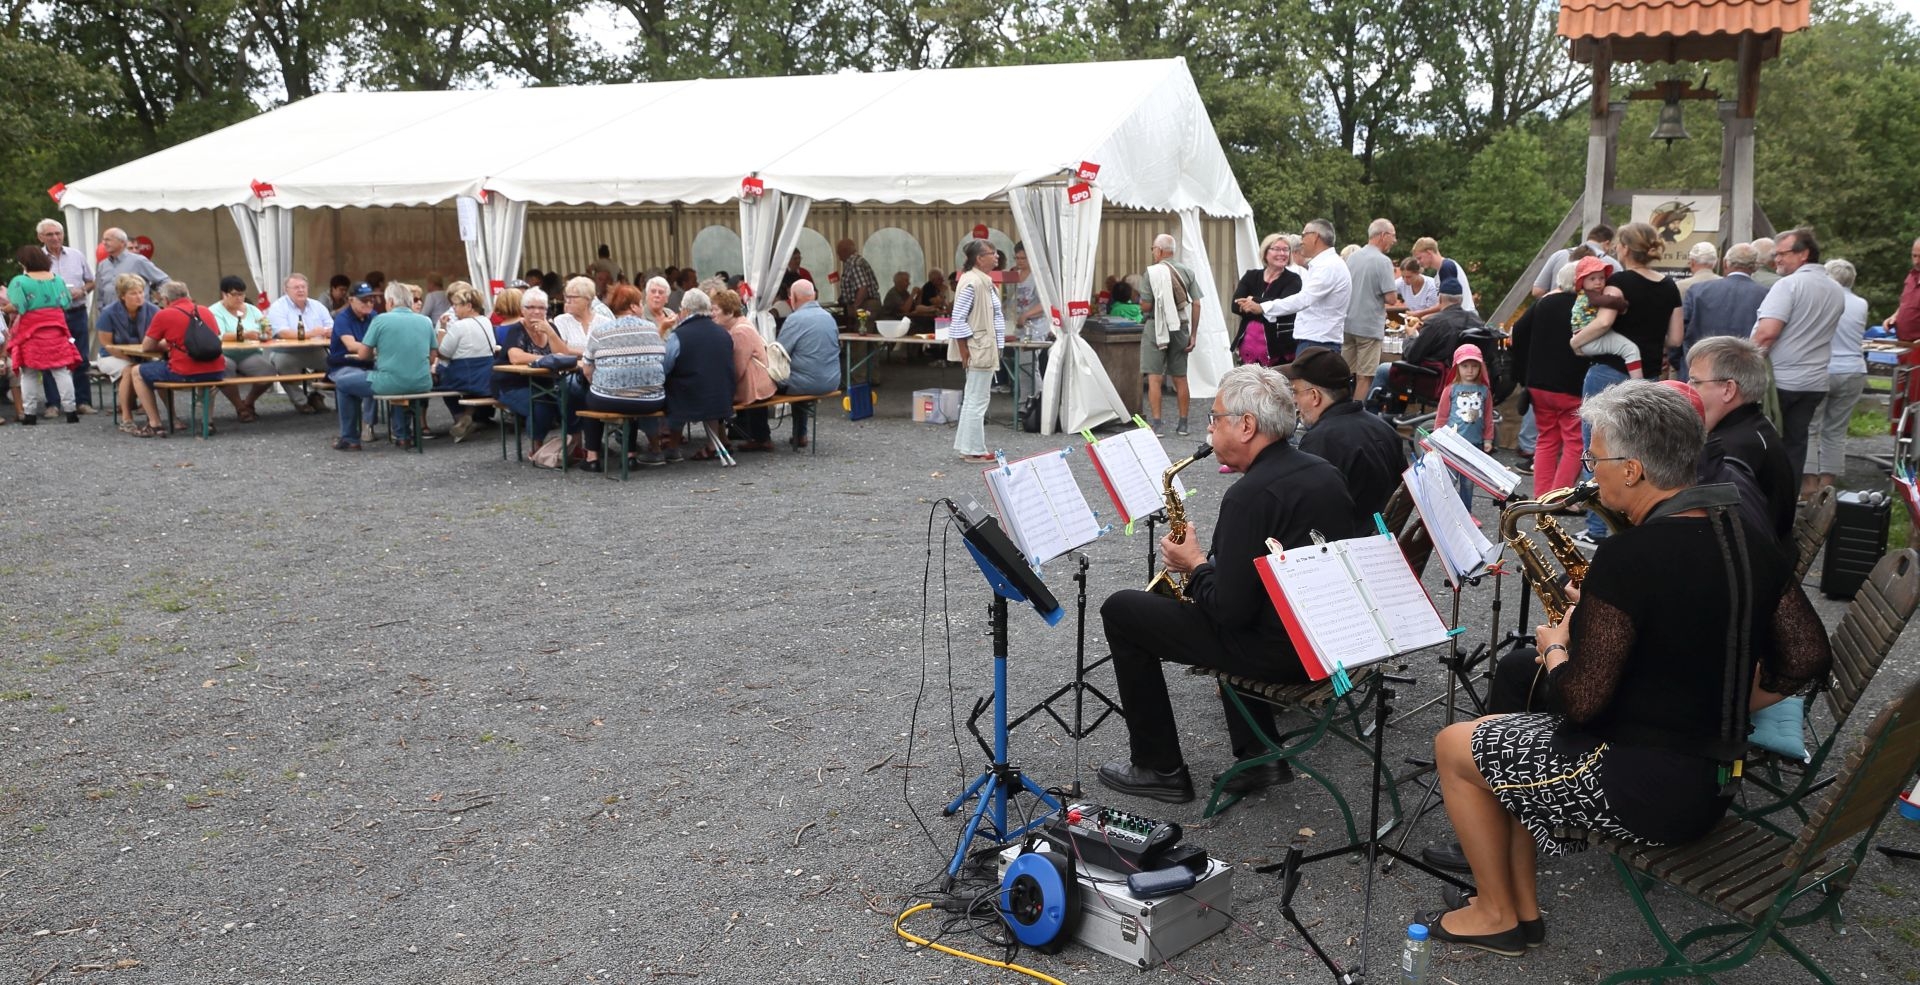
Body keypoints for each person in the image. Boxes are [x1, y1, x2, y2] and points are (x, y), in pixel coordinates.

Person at [1424, 381, 1830, 958]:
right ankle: (1520, 913)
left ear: (1634, 469)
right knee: (1496, 735)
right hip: (1715, 779)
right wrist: (1722, 703)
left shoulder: (1629, 555)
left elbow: (1579, 704)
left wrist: (1556, 647)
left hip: (1647, 791)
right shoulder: (1745, 536)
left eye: (1595, 460)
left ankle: (1494, 913)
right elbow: (1807, 657)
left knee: (1454, 746)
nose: (1591, 472)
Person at [1097, 365, 1357, 803]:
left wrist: (1194, 564)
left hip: (1285, 655)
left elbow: (1229, 612)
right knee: (1228, 590)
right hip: (1329, 639)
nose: (1210, 428)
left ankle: (1158, 767)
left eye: (1215, 418)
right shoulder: (1324, 472)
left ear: (1247, 426)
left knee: (1122, 610)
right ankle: (1258, 753)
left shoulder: (1248, 496)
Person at [1754, 227, 1846, 479]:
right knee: (1796, 446)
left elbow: (1766, 333)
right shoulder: (1835, 288)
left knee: (1767, 446)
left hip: (1780, 381)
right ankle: (1789, 498)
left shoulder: (1789, 285)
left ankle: (1767, 500)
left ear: (1803, 253)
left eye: (1782, 254)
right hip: (1814, 381)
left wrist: (1745, 365)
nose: (1777, 260)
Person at [1688, 336, 1797, 543]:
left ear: (1728, 389)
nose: (1688, 388)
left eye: (1695, 381)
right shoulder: (1752, 427)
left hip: (1751, 556)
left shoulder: (1732, 448)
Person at [1284, 346, 1405, 529]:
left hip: (1347, 542)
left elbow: (1307, 512)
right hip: (1384, 536)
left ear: (1315, 396)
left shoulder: (1321, 440)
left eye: (1295, 392)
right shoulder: (1384, 428)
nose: (1294, 400)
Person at [1509, 262, 1588, 491]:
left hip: (1539, 384)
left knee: (1546, 439)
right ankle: (1559, 497)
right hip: (1571, 385)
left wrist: (1524, 371)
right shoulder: (1584, 307)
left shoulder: (1543, 303)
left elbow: (1518, 331)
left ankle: (1542, 496)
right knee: (1574, 442)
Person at [574, 284, 668, 471]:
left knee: (590, 397)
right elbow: (660, 360)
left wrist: (602, 386)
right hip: (651, 401)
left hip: (609, 400)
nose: (642, 307)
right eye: (640, 303)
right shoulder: (652, 329)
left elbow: (587, 369)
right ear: (633, 307)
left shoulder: (601, 331)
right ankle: (630, 456)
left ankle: (592, 457)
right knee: (630, 398)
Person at [127, 282, 240, 437]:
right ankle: (208, 423)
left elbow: (147, 346)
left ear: (166, 299)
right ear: (187, 295)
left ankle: (155, 424)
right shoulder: (205, 311)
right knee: (205, 375)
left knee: (137, 372)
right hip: (217, 370)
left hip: (184, 371)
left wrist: (166, 345)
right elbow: (212, 337)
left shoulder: (164, 314)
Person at [336, 282, 434, 448]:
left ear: (390, 302)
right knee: (401, 381)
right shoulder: (426, 321)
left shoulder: (380, 320)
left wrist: (380, 352)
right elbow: (432, 357)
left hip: (391, 382)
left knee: (343, 384)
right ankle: (402, 435)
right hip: (422, 381)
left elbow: (363, 355)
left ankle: (350, 438)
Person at [1242, 219, 1351, 364]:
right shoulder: (1325, 265)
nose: (1301, 241)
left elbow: (1303, 299)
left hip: (1317, 343)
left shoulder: (1328, 267)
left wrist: (1262, 307)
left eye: (1303, 235)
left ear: (1315, 237)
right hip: (1316, 342)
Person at [1806, 259, 1869, 497]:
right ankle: (1828, 484)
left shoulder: (1822, 299)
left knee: (1811, 428)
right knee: (1836, 430)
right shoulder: (1861, 304)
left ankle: (1808, 484)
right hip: (1853, 369)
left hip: (1823, 367)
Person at [5, 245, 82, 424]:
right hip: (56, 331)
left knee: (29, 373)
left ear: (23, 262)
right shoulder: (57, 279)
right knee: (61, 371)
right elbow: (66, 302)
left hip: (30, 333)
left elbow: (18, 306)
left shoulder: (19, 281)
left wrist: (5, 308)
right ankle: (71, 411)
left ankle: (30, 414)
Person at [947, 240, 1005, 463]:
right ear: (979, 258)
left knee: (974, 398)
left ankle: (967, 447)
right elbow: (958, 319)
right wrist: (964, 351)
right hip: (979, 347)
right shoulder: (973, 282)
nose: (997, 256)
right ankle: (974, 450)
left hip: (982, 346)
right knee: (977, 400)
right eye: (992, 253)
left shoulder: (980, 281)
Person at [662, 289, 735, 462]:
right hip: (722, 396)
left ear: (686, 310)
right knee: (707, 383)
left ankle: (673, 446)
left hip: (689, 399)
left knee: (673, 386)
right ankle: (714, 445)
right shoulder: (724, 333)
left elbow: (665, 367)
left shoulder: (678, 336)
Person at [1680, 243, 1770, 381]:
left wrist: (1682, 365)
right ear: (1755, 266)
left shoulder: (1697, 290)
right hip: (1744, 373)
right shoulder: (1766, 294)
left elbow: (1681, 330)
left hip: (1700, 369)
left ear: (1725, 263)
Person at [1141, 233, 1202, 435]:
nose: (1153, 252)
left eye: (1153, 249)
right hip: (1181, 328)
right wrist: (1193, 334)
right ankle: (1183, 424)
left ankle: (1157, 424)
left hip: (1155, 327)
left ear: (1159, 250)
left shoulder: (1151, 273)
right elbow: (1196, 304)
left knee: (1155, 377)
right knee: (1180, 377)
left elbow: (1146, 306)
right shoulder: (1187, 272)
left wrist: (1143, 303)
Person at [493, 287, 565, 450]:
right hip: (512, 384)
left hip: (544, 382)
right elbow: (516, 357)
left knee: (570, 399)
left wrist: (551, 334)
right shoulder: (517, 329)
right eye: (531, 307)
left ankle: (575, 444)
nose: (536, 312)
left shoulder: (551, 328)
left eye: (541, 308)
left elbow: (562, 353)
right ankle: (536, 447)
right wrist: (546, 359)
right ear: (522, 310)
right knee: (540, 404)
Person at [774, 279, 840, 449]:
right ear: (814, 295)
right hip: (832, 380)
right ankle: (800, 434)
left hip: (806, 384)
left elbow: (779, 353)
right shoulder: (829, 318)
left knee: (762, 384)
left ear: (794, 298)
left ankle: (760, 436)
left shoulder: (795, 319)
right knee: (803, 372)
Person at [38, 219, 95, 414]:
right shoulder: (37, 259)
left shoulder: (76, 255)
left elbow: (91, 281)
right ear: (41, 237)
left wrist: (82, 290)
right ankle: (53, 404)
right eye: (50, 234)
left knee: (81, 357)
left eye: (58, 233)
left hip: (76, 312)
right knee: (50, 358)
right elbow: (30, 286)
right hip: (50, 315)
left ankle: (82, 402)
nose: (55, 237)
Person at [93, 275, 161, 432]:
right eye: (133, 293)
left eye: (141, 292)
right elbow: (107, 344)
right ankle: (126, 417)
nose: (139, 296)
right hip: (112, 355)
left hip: (145, 354)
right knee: (129, 369)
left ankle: (163, 415)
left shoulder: (153, 310)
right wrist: (131, 358)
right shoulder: (109, 313)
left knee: (159, 367)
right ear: (122, 296)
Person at [208, 275, 280, 421]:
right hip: (226, 353)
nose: (239, 298)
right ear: (224, 294)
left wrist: (266, 332)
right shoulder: (214, 311)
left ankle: (248, 401)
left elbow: (265, 325)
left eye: (242, 294)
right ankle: (239, 407)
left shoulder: (252, 310)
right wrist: (245, 335)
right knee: (224, 367)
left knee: (268, 372)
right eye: (235, 294)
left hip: (249, 353)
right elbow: (219, 335)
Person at [434, 283, 498, 441]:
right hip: (485, 376)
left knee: (442, 380)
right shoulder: (486, 321)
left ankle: (459, 417)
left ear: (469, 306)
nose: (454, 309)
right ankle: (468, 415)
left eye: (456, 305)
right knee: (472, 389)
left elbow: (442, 353)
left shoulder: (459, 326)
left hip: (463, 376)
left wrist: (442, 328)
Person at [1435, 343, 1495, 509]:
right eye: (1465, 366)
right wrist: (1437, 439)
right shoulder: (1450, 389)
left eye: (1474, 366)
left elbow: (1488, 416)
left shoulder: (1484, 391)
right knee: (1450, 479)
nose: (1470, 370)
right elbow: (1442, 416)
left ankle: (1465, 512)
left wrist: (1488, 439)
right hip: (1452, 444)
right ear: (1457, 367)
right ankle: (1445, 510)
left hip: (1474, 445)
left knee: (1468, 483)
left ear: (1480, 368)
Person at [264, 273, 334, 413]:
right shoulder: (278, 307)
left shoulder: (317, 306)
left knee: (335, 363)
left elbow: (331, 327)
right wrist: (311, 333)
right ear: (286, 290)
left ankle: (317, 395)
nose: (301, 290)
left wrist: (329, 332)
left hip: (316, 349)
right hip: (287, 351)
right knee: (282, 365)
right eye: (296, 287)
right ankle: (300, 401)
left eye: (303, 287)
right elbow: (283, 333)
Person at [717, 287, 776, 452]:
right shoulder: (742, 324)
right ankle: (759, 437)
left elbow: (738, 368)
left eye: (716, 310)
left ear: (729, 312)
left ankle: (721, 440)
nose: (713, 314)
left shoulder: (740, 331)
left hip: (754, 387)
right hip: (760, 383)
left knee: (716, 398)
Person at [1231, 234, 1302, 367]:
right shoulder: (1251, 276)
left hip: (1279, 350)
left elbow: (1285, 305)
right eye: (1277, 249)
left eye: (1286, 249)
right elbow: (1235, 305)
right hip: (1248, 347)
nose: (1282, 253)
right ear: (1265, 252)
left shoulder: (1293, 280)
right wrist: (1267, 309)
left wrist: (1254, 301)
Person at [1566, 255, 1643, 378]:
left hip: (1585, 336)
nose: (1598, 282)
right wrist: (1623, 304)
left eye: (1601, 277)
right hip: (1588, 337)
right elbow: (1608, 301)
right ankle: (1639, 384)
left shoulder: (1588, 293)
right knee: (1630, 350)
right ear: (1582, 281)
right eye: (1592, 279)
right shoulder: (1591, 295)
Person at [1344, 218, 1400, 379]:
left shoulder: (1352, 257)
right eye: (1393, 235)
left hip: (1348, 324)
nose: (1395, 240)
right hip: (1368, 328)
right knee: (1365, 377)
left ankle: (1344, 397)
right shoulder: (1383, 261)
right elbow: (1391, 298)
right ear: (1383, 235)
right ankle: (1360, 398)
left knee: (1346, 374)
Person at [327, 282, 379, 443]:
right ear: (351, 300)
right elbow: (350, 345)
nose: (369, 303)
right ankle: (356, 430)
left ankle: (368, 425)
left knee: (378, 376)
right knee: (364, 378)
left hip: (368, 363)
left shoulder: (374, 316)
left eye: (371, 300)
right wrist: (374, 349)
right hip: (344, 365)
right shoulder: (342, 318)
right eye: (364, 300)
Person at [1530, 225, 1620, 299]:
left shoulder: (1558, 255)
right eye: (1612, 248)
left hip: (1554, 308)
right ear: (1607, 244)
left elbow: (1537, 291)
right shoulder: (1611, 264)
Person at [93, 227, 168, 312]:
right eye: (103, 240)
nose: (104, 243)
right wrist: (102, 309)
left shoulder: (138, 261)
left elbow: (164, 280)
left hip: (137, 315)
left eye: (108, 240)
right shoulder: (103, 265)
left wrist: (157, 299)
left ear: (122, 242)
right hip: (112, 315)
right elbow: (99, 292)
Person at [1409, 237, 1476, 316]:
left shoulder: (1447, 267)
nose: (1418, 262)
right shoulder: (1439, 273)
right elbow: (1443, 305)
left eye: (1419, 258)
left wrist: (1420, 313)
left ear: (1429, 253)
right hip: (1459, 316)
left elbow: (1449, 303)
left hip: (1464, 317)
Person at [552, 276, 604, 352]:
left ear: (587, 299)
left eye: (573, 297)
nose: (568, 301)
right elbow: (560, 350)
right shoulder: (561, 320)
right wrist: (589, 354)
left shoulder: (604, 322)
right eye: (567, 297)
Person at [1883, 236, 1920, 342]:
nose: (1916, 261)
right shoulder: (1911, 276)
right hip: (1904, 344)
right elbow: (1907, 304)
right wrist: (1894, 317)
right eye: (1914, 256)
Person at [835, 238, 879, 324]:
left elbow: (863, 287)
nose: (839, 258)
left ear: (845, 251)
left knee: (862, 330)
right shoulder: (858, 261)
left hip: (865, 306)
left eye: (839, 254)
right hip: (865, 304)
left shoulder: (854, 264)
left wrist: (856, 306)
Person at [1392, 256, 1437, 320]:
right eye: (1403, 276)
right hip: (1414, 320)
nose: (1405, 280)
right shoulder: (1401, 282)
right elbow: (1386, 291)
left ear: (1418, 273)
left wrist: (1418, 317)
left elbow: (1434, 312)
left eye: (1409, 277)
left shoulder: (1432, 286)